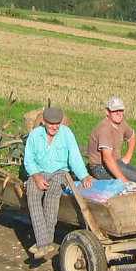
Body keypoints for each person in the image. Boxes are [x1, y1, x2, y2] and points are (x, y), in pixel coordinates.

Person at [24, 106, 92, 259]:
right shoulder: (35, 135)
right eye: (50, 124)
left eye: (57, 124)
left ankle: (43, 243)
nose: (54, 127)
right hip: (39, 171)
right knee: (32, 194)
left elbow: (74, 156)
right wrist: (37, 178)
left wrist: (84, 176)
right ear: (43, 121)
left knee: (52, 195)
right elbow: (29, 161)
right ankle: (45, 242)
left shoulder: (66, 134)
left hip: (60, 172)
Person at [87, 97, 136, 186]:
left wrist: (128, 156)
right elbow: (107, 158)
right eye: (115, 111)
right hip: (100, 167)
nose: (118, 113)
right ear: (107, 112)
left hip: (117, 162)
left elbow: (132, 136)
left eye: (121, 110)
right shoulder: (105, 129)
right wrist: (125, 181)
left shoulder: (122, 124)